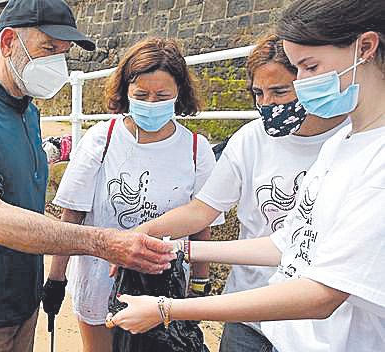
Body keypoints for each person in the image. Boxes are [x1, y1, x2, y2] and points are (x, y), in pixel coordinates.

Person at [109, 1, 385, 351]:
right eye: (297, 70)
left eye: (310, 67)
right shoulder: (341, 144)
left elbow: (323, 294)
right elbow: (288, 243)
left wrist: (168, 309)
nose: (302, 83)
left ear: (365, 47)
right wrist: (176, 248)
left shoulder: (376, 160)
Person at [0, 1, 175, 351]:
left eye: (64, 53)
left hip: (24, 300)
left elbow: (19, 172)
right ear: (8, 41)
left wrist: (55, 151)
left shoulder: (28, 112)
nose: (57, 62)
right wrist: (104, 243)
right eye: (48, 49)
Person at [43, 37, 219, 352]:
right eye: (142, 95)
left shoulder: (196, 149)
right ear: (126, 91)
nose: (151, 103)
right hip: (99, 280)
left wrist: (199, 285)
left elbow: (201, 225)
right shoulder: (101, 139)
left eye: (162, 95)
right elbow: (74, 215)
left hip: (164, 288)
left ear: (179, 93)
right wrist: (56, 278)